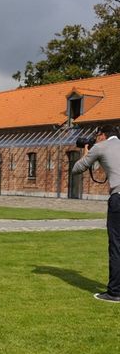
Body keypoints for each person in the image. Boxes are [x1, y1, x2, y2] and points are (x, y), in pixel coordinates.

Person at [71, 125, 120, 302]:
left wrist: (86, 151)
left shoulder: (101, 146)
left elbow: (77, 168)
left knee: (116, 245)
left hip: (119, 197)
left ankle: (115, 292)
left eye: (96, 135)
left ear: (102, 135)